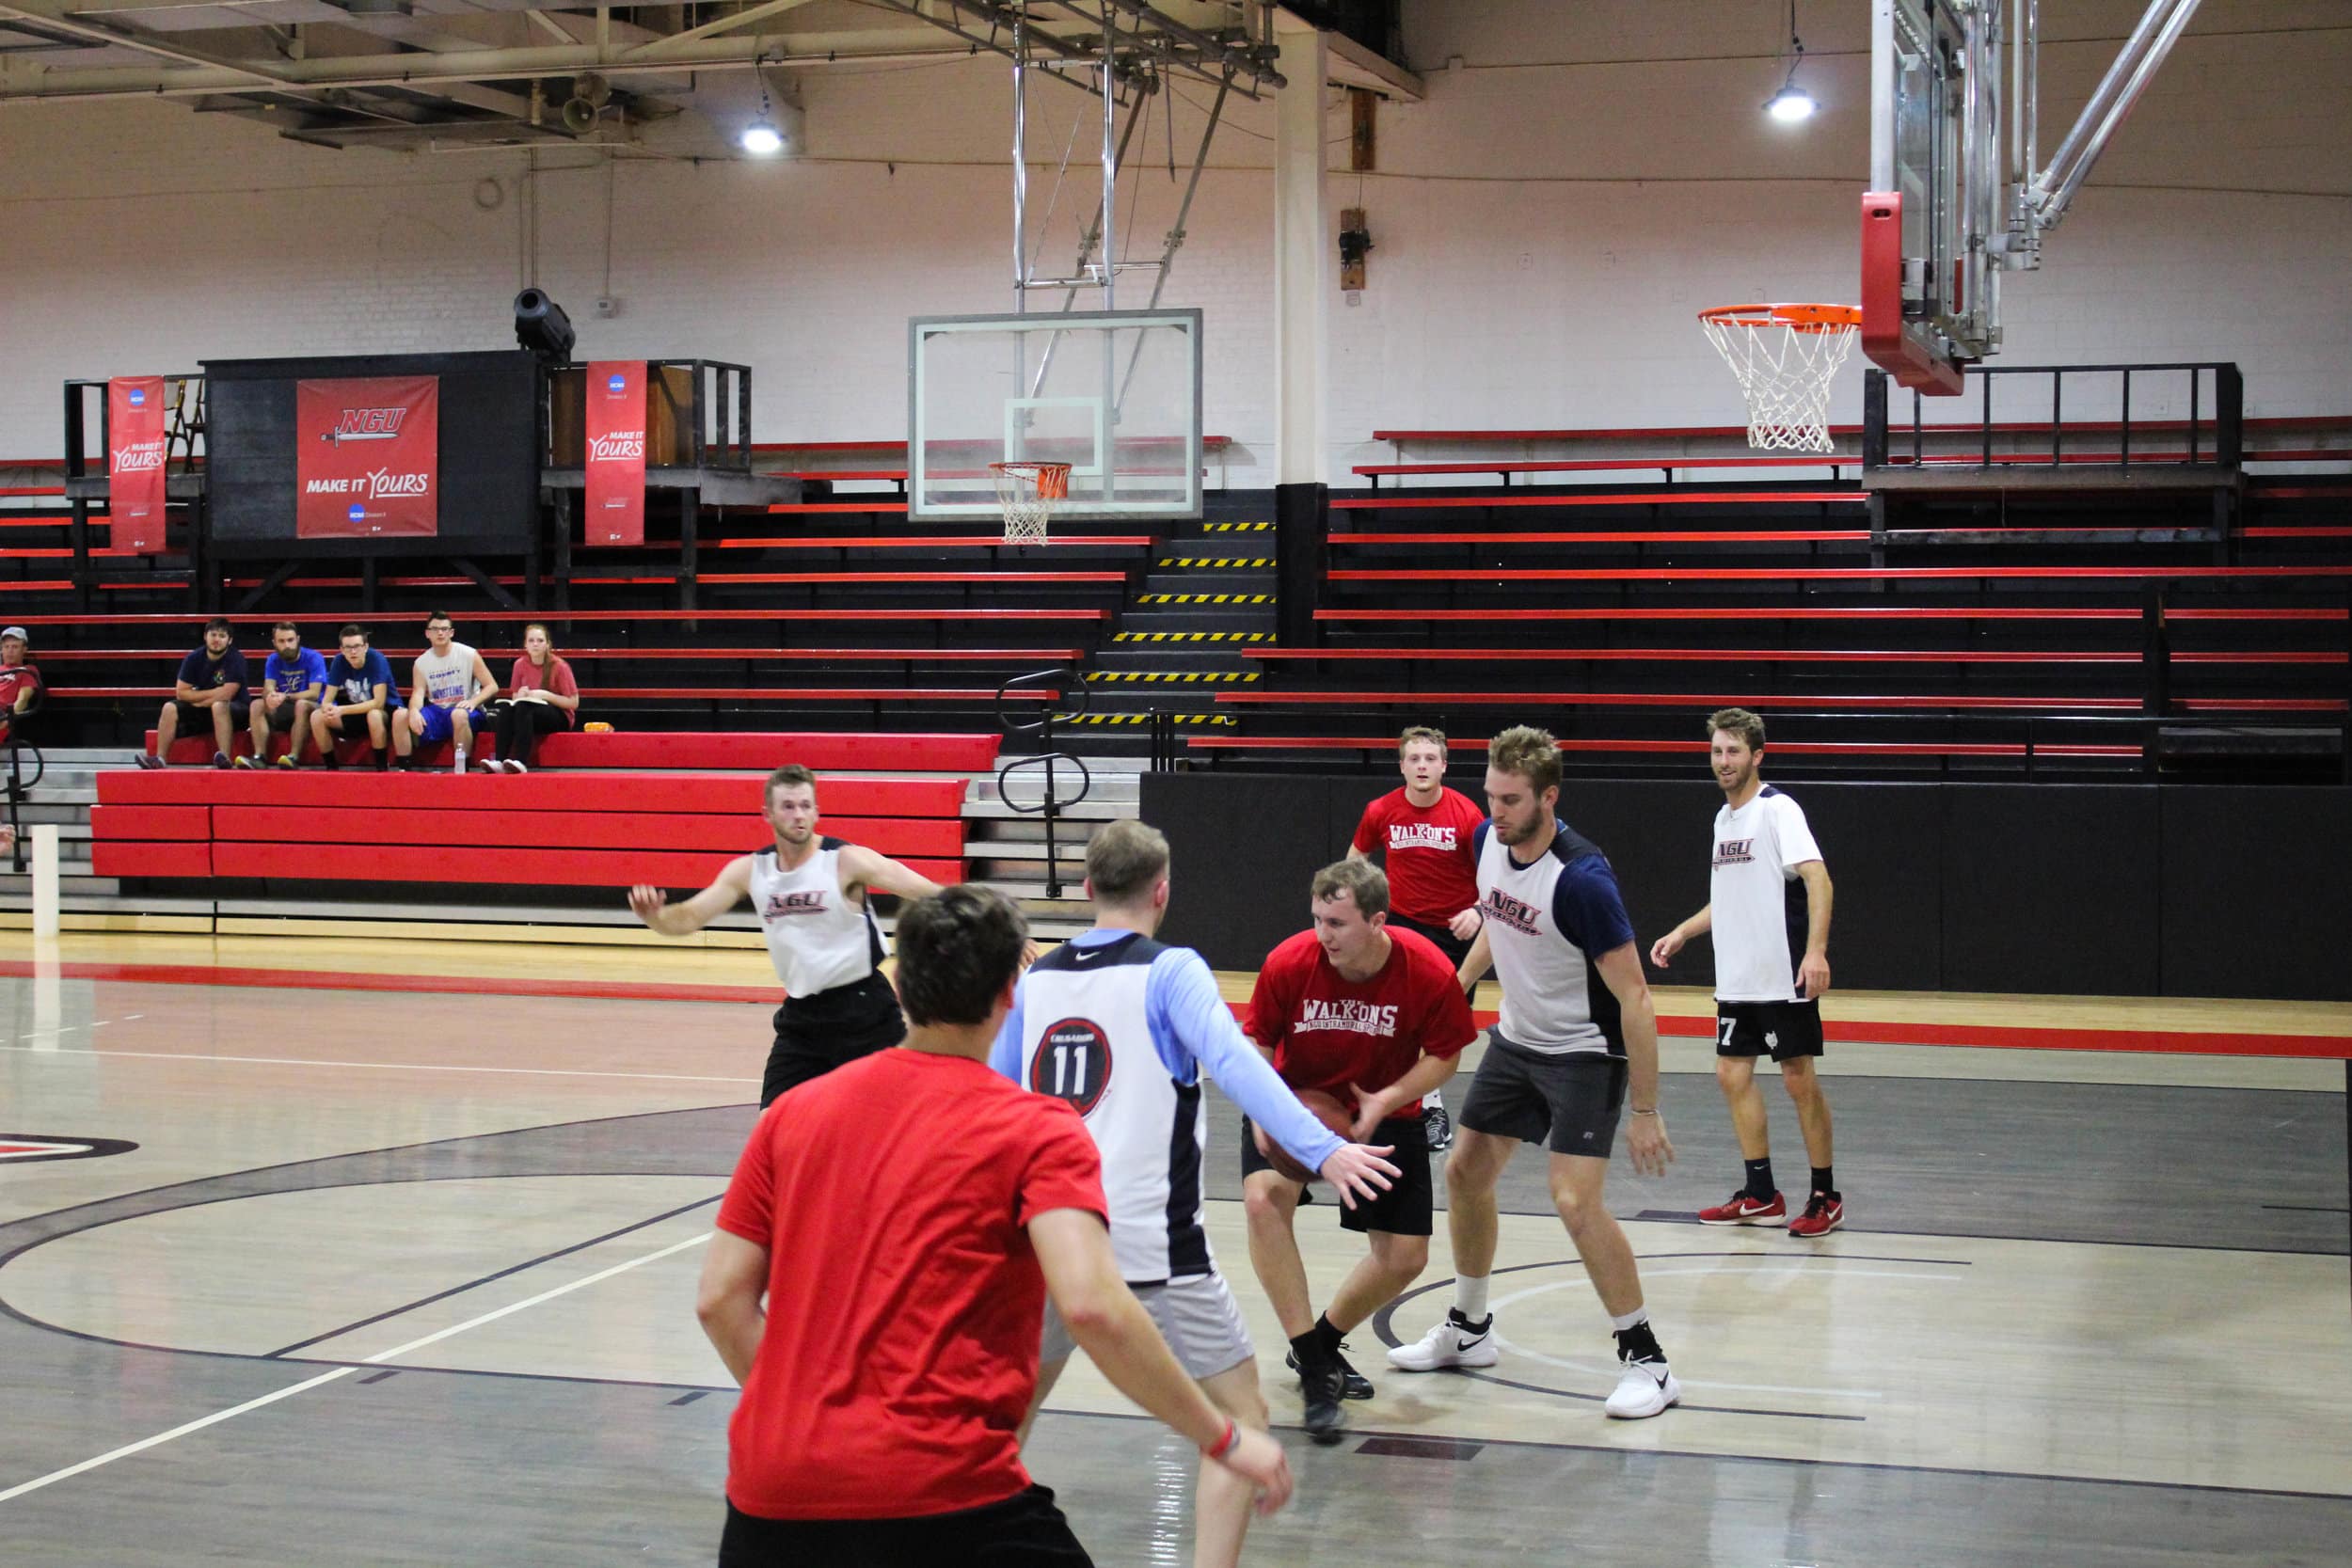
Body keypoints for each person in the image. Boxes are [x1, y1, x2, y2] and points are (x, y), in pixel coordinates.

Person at [697, 883, 1294, 1567]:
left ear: (896, 984)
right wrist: (1222, 1436)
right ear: (1013, 993)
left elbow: (720, 1300)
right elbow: (1094, 1306)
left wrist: (804, 1415)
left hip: (769, 1494)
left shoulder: (791, 1114)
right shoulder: (1038, 1128)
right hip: (940, 1493)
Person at [990, 821, 1393, 1566]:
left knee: (999, 1429)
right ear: (1163, 890)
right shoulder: (1172, 972)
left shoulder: (1037, 980)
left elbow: (989, 1100)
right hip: (1151, 1250)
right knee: (1241, 1420)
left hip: (1045, 1243)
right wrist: (1323, 1150)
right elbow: (1239, 1067)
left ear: (1087, 888)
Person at [1386, 724, 1682, 1420]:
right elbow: (1498, 914)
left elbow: (1636, 996)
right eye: (1491, 794)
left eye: (1512, 799)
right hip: (1518, 1040)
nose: (1496, 810)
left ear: (1550, 796)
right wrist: (1458, 984)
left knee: (1575, 1201)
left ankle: (1649, 1361)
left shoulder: (1583, 880)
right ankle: (1470, 1326)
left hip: (1583, 1049)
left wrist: (1645, 1110)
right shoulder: (1491, 840)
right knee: (1464, 1172)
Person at [1242, 858, 1475, 1442]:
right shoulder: (1290, 962)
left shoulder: (1426, 969)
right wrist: (1264, 1111)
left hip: (1383, 1112)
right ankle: (1315, 1364)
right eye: (1318, 919)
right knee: (1264, 1202)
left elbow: (1446, 1054)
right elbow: (1252, 1042)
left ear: (1377, 921)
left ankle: (1320, 1342)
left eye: (1338, 923)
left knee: (1406, 1257)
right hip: (1293, 1104)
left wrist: (1388, 1098)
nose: (1324, 935)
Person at [628, 763, 937, 1106]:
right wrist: (655, 918)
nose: (798, 815)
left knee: (894, 1120)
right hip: (802, 1017)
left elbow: (928, 892)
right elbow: (687, 919)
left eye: (805, 806)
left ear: (817, 811)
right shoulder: (750, 870)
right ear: (768, 814)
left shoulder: (846, 861)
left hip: (864, 1011)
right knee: (773, 1127)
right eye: (788, 807)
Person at [1649, 706, 1842, 1237]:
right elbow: (1728, 897)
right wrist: (1684, 932)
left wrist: (1816, 952)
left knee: (1797, 1079)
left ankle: (1825, 1195)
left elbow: (1818, 880)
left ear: (1758, 755)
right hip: (1738, 976)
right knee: (1731, 1074)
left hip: (1783, 974)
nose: (1724, 760)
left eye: (1734, 751)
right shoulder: (1723, 819)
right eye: (1717, 750)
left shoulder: (1778, 810)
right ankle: (1761, 1193)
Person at [1347, 725, 1484, 1151]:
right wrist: (1361, 912)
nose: (1422, 766)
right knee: (1400, 1022)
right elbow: (1356, 862)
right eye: (1414, 759)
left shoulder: (1467, 815)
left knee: (1443, 1032)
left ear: (1444, 765)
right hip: (1403, 929)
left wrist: (1477, 912)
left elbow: (1498, 877)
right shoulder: (1380, 810)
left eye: (1430, 759)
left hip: (1455, 934)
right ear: (1402, 765)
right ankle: (1422, 1106)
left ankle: (1427, 1104)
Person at [141, 617, 247, 769]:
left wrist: (198, 699)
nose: (217, 639)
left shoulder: (236, 659)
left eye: (222, 636)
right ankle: (160, 759)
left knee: (218, 705)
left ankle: (224, 757)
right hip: (205, 709)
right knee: (169, 708)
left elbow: (226, 694)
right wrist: (209, 696)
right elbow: (181, 693)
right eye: (213, 635)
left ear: (229, 641)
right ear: (205, 636)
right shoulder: (193, 658)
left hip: (236, 711)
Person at [403, 611, 498, 773]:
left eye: (445, 629)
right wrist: (413, 711)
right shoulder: (421, 662)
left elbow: (492, 686)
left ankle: (462, 768)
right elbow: (418, 693)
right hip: (438, 709)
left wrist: (474, 701)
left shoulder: (468, 654)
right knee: (401, 716)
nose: (440, 633)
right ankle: (403, 768)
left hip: (466, 708)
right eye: (435, 629)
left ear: (451, 632)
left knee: (458, 714)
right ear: (427, 633)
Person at [310, 624, 407, 771]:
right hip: (354, 712)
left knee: (374, 715)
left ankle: (381, 766)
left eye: (357, 646)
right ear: (342, 649)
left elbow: (379, 703)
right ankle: (331, 768)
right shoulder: (339, 661)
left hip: (384, 713)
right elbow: (327, 699)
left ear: (366, 647)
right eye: (348, 648)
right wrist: (327, 707)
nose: (353, 651)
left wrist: (341, 710)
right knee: (317, 716)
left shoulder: (377, 659)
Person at [484, 622, 578, 774]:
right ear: (525, 644)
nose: (535, 644)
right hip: (529, 711)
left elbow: (573, 702)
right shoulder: (519, 664)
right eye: (531, 641)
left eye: (540, 641)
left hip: (559, 715)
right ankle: (499, 760)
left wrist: (545, 695)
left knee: (523, 709)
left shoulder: (559, 666)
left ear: (548, 644)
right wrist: (520, 695)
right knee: (508, 710)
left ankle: (521, 760)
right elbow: (514, 695)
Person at [236, 621, 326, 769]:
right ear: (274, 643)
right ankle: (259, 757)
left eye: (290, 640)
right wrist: (270, 695)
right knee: (257, 704)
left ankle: (293, 757)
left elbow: (314, 694)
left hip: (312, 709)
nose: (287, 645)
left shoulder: (313, 657)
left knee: (302, 705)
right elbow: (268, 686)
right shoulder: (273, 659)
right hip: (287, 707)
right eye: (282, 641)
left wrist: (286, 696)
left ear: (297, 639)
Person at [0, 626, 43, 749]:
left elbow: (23, 699)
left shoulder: (27, 670)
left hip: (3, 714)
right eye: (6, 647)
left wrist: (7, 721)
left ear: (24, 649)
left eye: (15, 647)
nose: (10, 651)